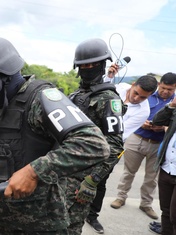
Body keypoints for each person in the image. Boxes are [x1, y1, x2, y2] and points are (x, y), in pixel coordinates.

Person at [0, 37, 109, 234]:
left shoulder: (42, 98)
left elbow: (95, 144)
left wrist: (34, 171)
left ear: (2, 77)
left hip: (40, 220)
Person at [68, 38, 126, 234]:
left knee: (71, 225)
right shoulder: (76, 95)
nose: (88, 68)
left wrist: (93, 180)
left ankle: (92, 217)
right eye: (84, 65)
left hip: (86, 173)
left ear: (102, 65)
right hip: (66, 167)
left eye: (93, 64)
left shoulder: (109, 99)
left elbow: (116, 147)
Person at [111, 72, 176, 220]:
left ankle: (146, 204)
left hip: (158, 143)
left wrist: (163, 127)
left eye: (170, 89)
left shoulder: (174, 102)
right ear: (159, 85)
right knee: (129, 171)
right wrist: (143, 122)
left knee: (151, 177)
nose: (166, 91)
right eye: (163, 88)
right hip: (137, 138)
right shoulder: (147, 94)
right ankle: (121, 197)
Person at [148, 98, 176, 235]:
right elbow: (157, 121)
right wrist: (172, 105)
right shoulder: (174, 111)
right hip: (167, 168)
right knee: (165, 210)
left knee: (174, 215)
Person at [116, 75, 158, 142]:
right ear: (133, 85)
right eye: (135, 93)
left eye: (143, 97)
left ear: (150, 96)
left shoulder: (143, 112)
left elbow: (121, 133)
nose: (136, 98)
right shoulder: (120, 87)